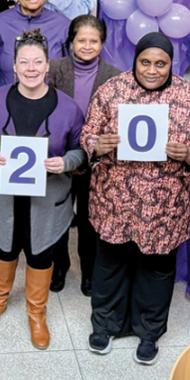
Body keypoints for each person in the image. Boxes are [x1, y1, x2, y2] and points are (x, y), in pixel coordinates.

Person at [81, 32, 190, 363]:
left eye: (161, 63)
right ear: (135, 60)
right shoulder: (111, 90)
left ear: (172, 64)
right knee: (110, 265)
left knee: (156, 271)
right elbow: (87, 134)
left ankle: (149, 332)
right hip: (114, 200)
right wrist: (96, 145)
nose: (153, 70)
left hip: (164, 207)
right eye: (146, 62)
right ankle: (105, 325)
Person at [0, 29, 86, 349]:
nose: (31, 68)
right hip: (6, 195)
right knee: (4, 246)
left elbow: (80, 150)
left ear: (48, 65)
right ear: (14, 66)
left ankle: (37, 313)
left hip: (47, 198)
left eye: (38, 61)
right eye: (25, 62)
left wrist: (65, 163)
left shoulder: (68, 107)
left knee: (41, 252)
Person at [47, 15, 120, 295]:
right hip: (59, 159)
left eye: (94, 40)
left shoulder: (114, 77)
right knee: (58, 217)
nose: (87, 45)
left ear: (102, 44)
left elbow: (114, 123)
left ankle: (89, 272)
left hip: (96, 163)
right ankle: (60, 266)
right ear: (71, 42)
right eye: (82, 40)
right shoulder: (53, 70)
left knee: (90, 221)